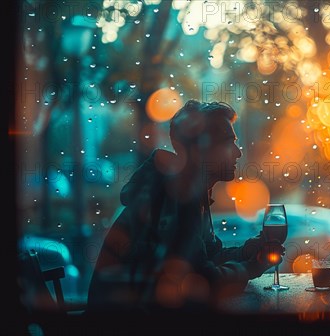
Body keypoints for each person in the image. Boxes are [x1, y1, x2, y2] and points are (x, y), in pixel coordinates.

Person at [87, 100, 281, 313]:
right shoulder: (176, 197)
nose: (238, 153)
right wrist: (253, 267)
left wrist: (245, 252)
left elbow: (204, 259)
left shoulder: (186, 192)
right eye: (228, 142)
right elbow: (203, 281)